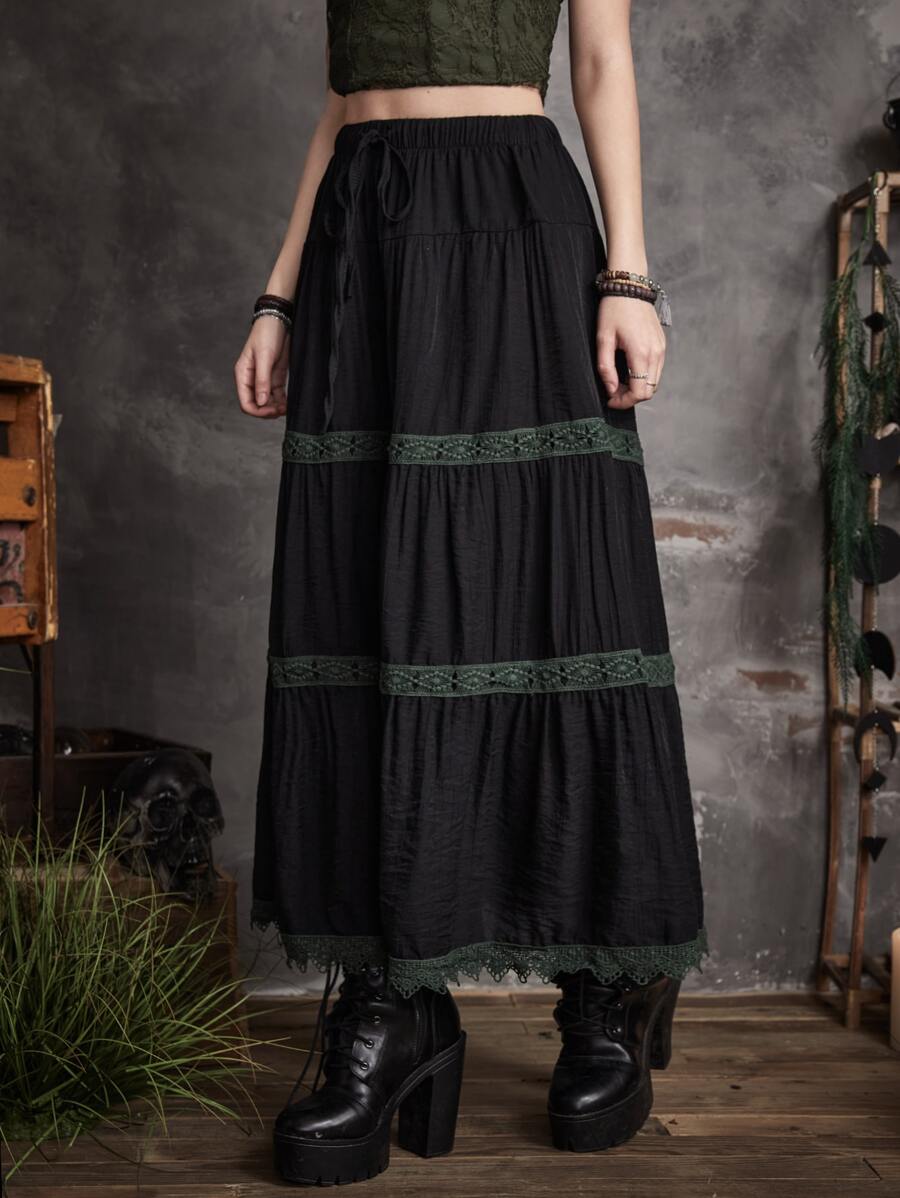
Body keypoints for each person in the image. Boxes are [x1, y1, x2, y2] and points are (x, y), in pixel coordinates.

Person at [236, 0, 708, 1185]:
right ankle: (392, 999)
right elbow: (342, 98)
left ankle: (607, 981)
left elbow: (601, 57)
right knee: (361, 607)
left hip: (514, 214)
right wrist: (279, 293)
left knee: (563, 597)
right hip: (363, 229)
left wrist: (628, 272)